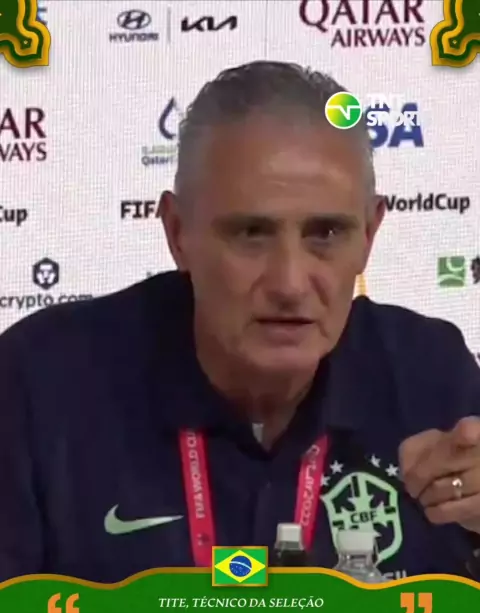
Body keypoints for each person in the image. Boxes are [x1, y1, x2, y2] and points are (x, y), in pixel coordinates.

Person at [1, 61, 480, 583]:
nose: (290, 283)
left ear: (369, 235)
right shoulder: (40, 383)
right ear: (178, 233)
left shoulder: (433, 377)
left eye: (325, 233)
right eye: (251, 233)